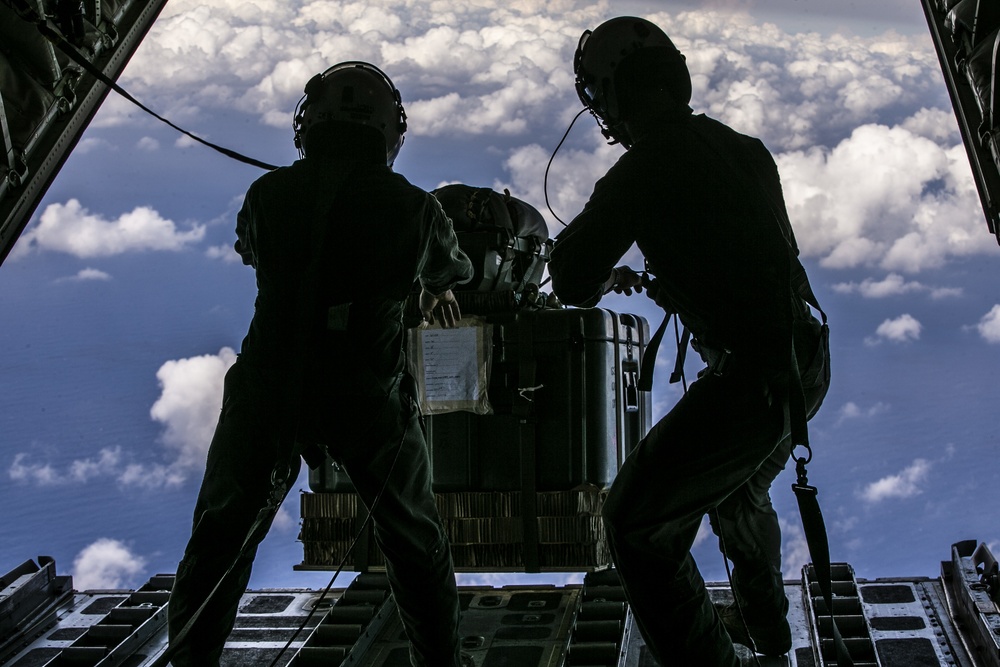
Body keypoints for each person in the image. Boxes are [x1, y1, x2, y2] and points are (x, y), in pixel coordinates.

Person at [166, 61, 474, 667]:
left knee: (223, 533)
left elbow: (249, 245)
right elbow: (451, 270)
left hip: (268, 385)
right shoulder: (414, 207)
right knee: (413, 538)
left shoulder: (268, 194)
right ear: (391, 132)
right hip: (365, 393)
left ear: (308, 127)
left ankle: (189, 658)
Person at [548, 17, 830, 666]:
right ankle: (772, 645)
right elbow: (738, 256)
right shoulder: (744, 148)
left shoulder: (642, 171)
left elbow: (569, 278)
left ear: (612, 100)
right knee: (737, 495)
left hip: (751, 385)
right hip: (805, 363)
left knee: (635, 524)